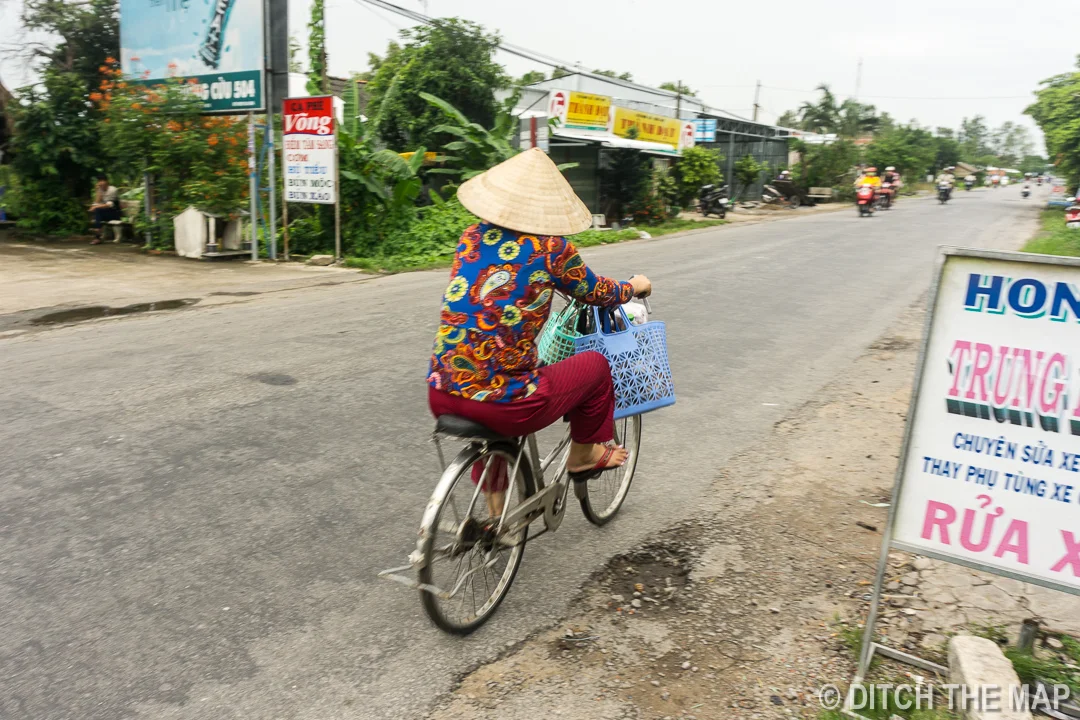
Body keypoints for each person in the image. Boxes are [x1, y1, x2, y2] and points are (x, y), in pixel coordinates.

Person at [427, 148, 651, 519]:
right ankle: (584, 455)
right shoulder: (552, 249)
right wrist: (634, 286)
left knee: (500, 394)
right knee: (596, 367)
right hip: (504, 403)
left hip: (442, 389)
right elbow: (597, 291)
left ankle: (498, 521)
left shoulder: (471, 238)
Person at [88, 174, 121, 244]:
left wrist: (95, 207)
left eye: (102, 181)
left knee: (97, 210)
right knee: (97, 211)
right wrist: (97, 191)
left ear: (107, 182)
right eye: (99, 181)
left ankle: (97, 235)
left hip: (114, 213)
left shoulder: (112, 190)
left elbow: (109, 205)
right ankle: (97, 234)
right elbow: (97, 202)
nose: (100, 183)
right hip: (105, 213)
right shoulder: (101, 190)